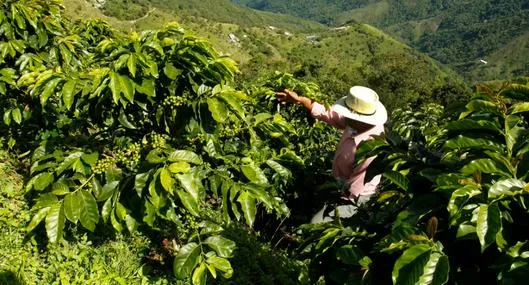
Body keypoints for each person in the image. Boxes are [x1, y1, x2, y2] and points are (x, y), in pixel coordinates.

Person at [276, 86, 387, 223]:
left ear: (360, 119)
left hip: (355, 200)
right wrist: (301, 100)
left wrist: (334, 203)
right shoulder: (356, 124)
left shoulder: (371, 149)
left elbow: (353, 192)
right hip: (339, 185)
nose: (345, 116)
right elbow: (329, 115)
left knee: (316, 225)